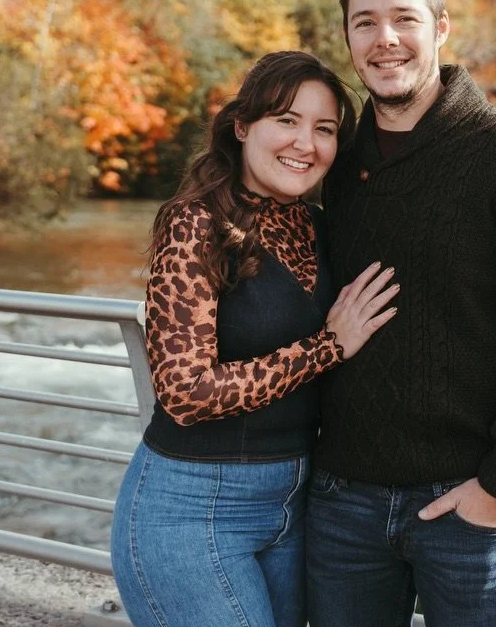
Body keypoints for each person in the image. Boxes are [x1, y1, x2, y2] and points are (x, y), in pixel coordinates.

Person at [306, 0, 496, 627]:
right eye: (364, 23)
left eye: (403, 19)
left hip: (471, 506)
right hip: (342, 503)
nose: (385, 40)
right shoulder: (336, 165)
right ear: (347, 38)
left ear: (440, 27)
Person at [111, 51, 401, 627]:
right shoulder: (195, 221)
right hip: (191, 509)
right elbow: (184, 390)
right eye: (286, 121)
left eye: (324, 129)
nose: (305, 143)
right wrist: (326, 346)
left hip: (293, 505)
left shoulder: (317, 226)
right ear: (242, 126)